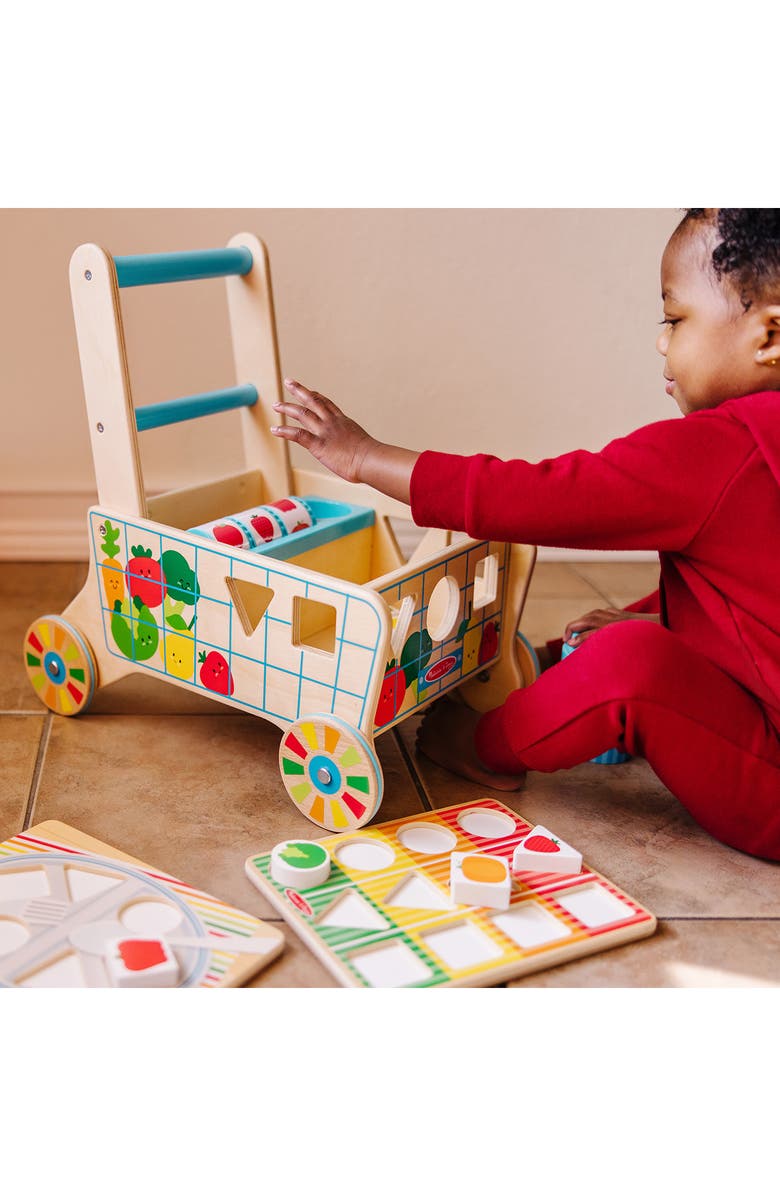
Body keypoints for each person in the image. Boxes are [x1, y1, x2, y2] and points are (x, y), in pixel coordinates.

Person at [270, 209, 780, 860]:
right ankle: (542, 665)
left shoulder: (720, 448)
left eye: (674, 320)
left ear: (769, 335)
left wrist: (368, 457)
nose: (661, 343)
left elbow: (544, 495)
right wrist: (654, 617)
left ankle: (480, 743)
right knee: (639, 624)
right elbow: (751, 594)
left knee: (630, 663)